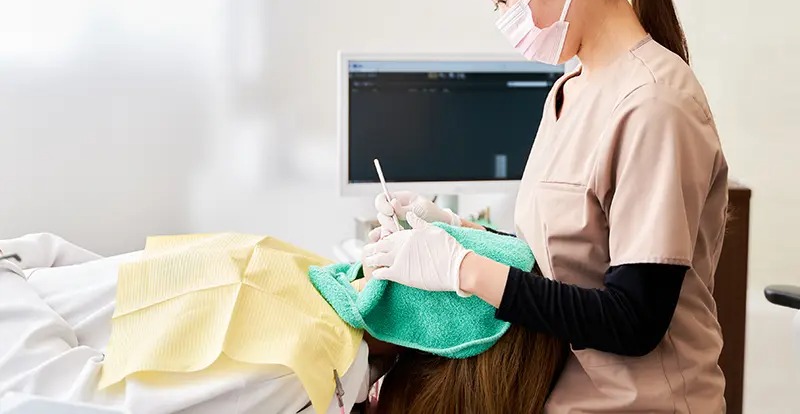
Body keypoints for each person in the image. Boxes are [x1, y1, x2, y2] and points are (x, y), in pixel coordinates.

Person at [364, 0, 729, 413]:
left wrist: (463, 270)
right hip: (564, 395)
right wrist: (457, 232)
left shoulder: (655, 104)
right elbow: (559, 260)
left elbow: (634, 320)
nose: (503, 19)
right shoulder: (569, 90)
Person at [0, 232, 565, 414]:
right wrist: (26, 260)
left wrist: (11, 275)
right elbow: (123, 280)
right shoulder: (314, 281)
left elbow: (39, 394)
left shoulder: (298, 369)